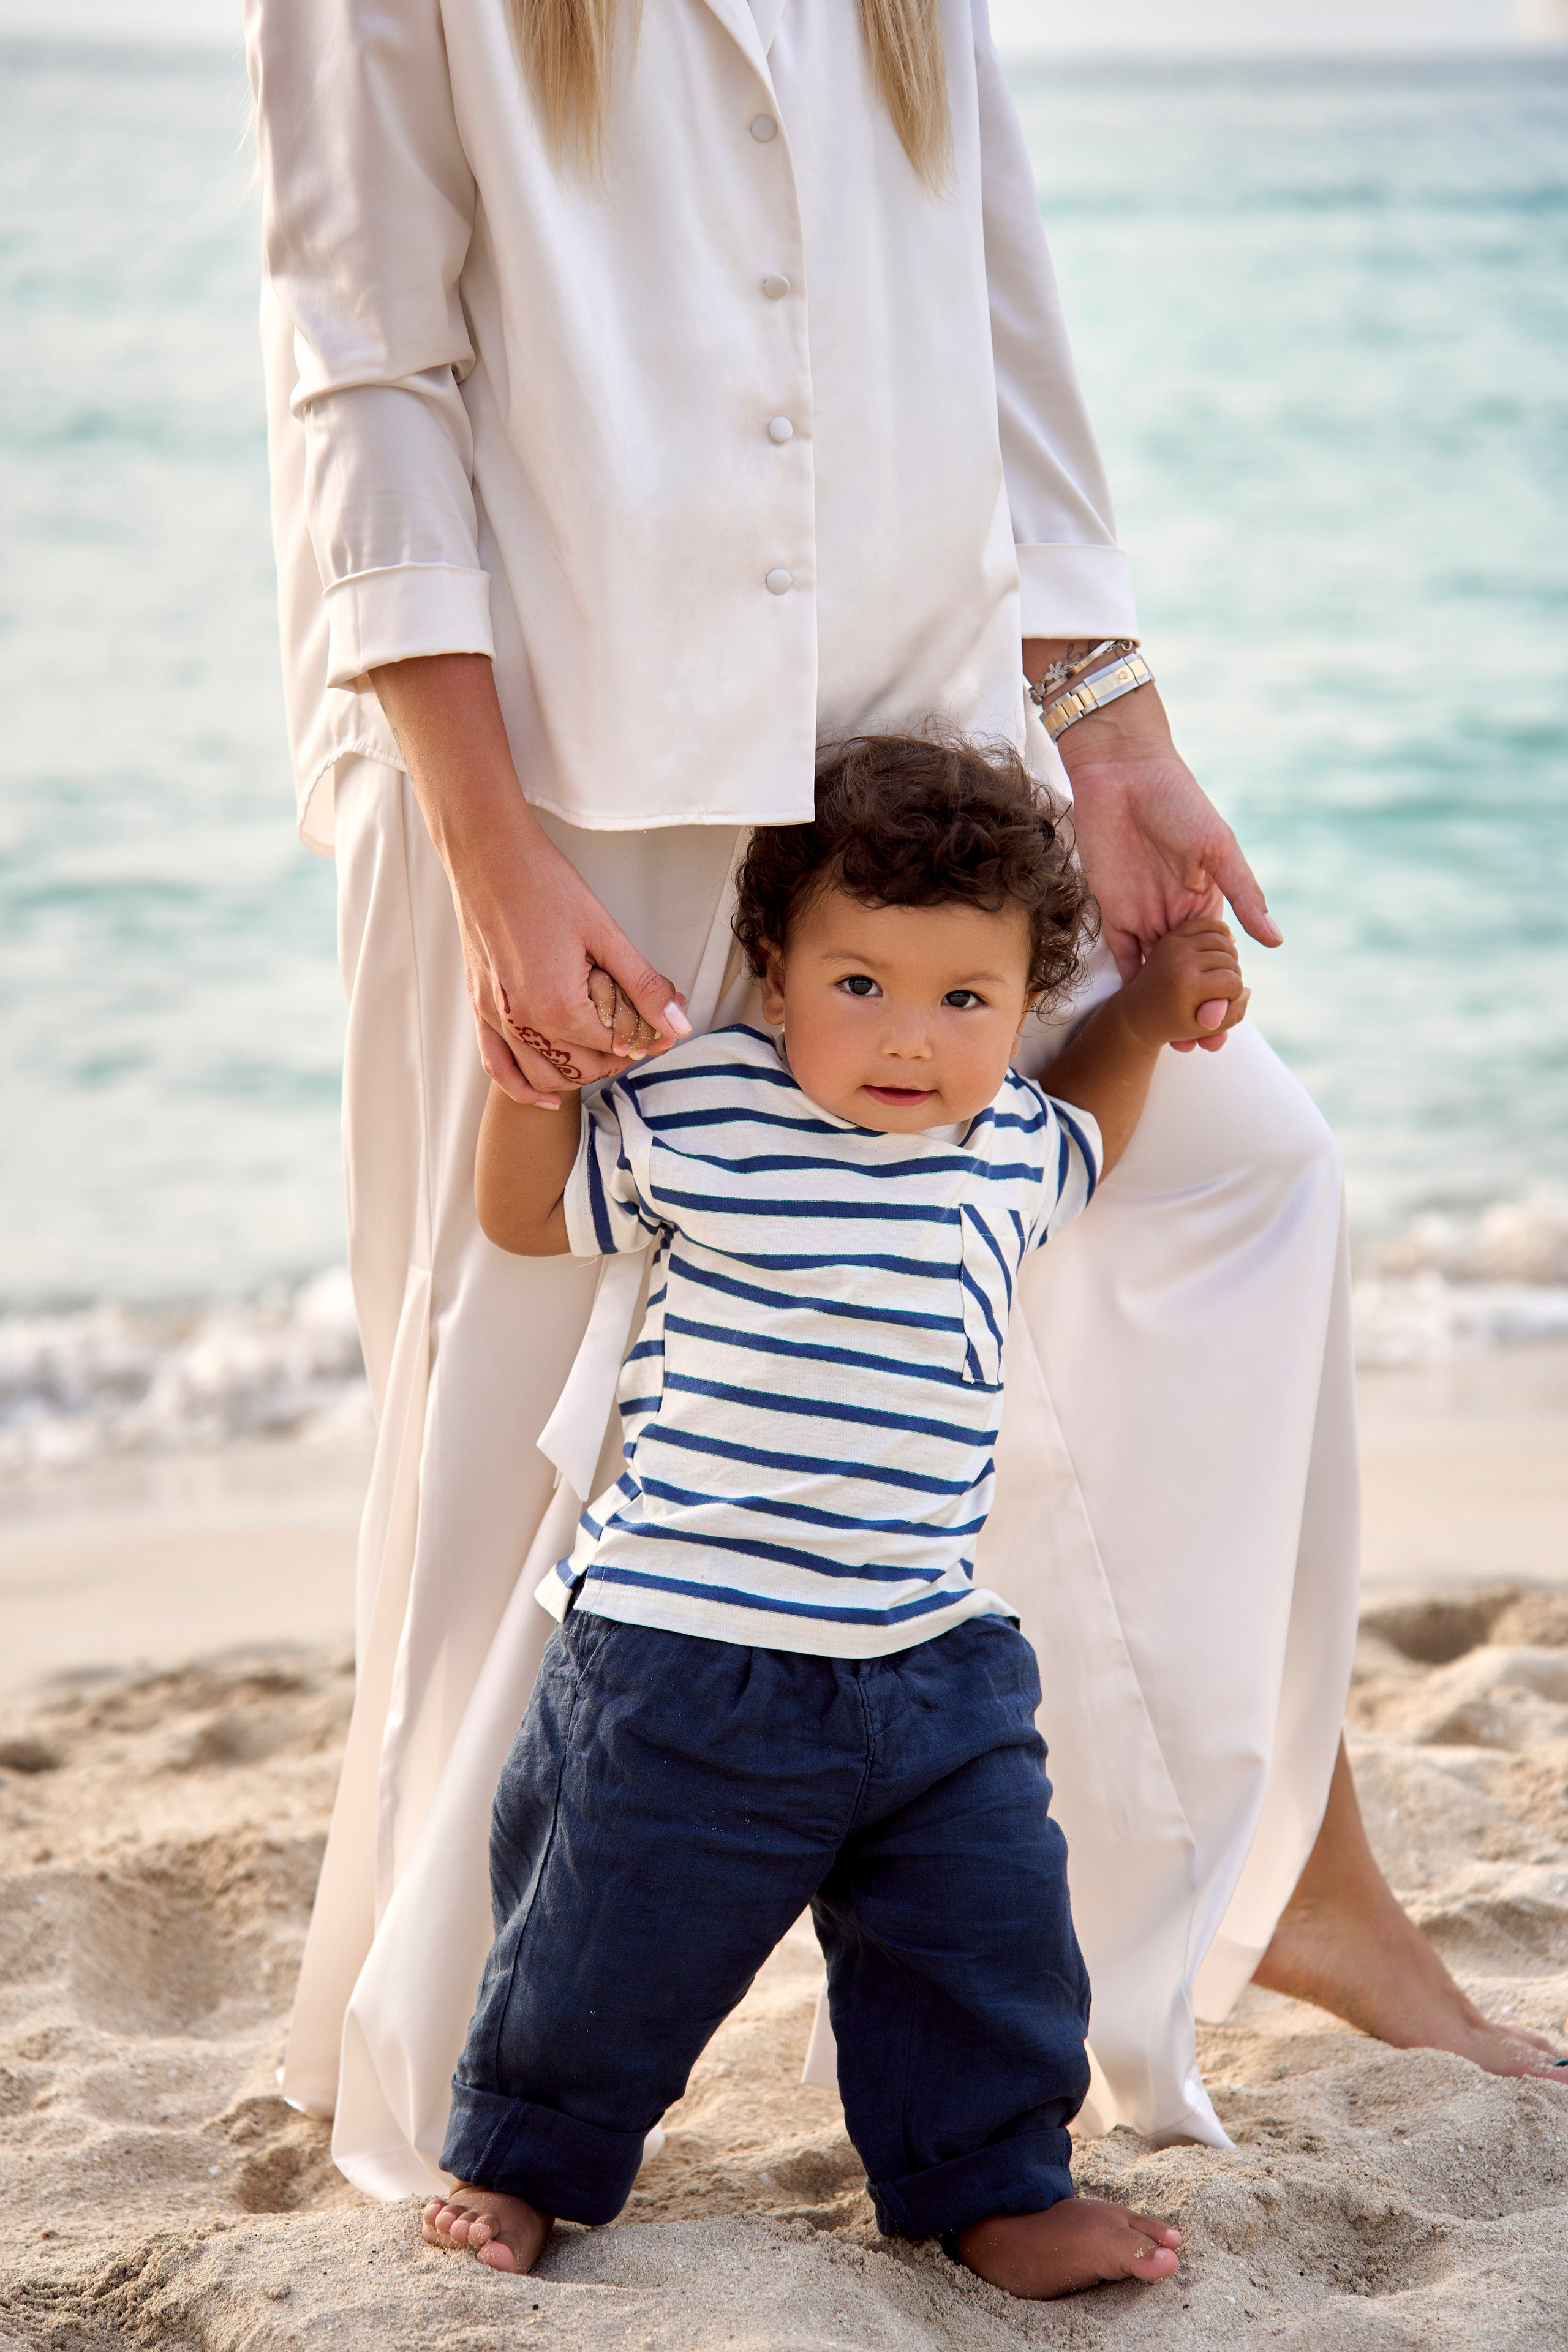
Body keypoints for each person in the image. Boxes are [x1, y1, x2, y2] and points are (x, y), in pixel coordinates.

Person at [246, 0, 1563, 2209]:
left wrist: (1113, 726)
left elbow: (993, 298)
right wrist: (486, 845)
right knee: (517, 1400)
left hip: (899, 747)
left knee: (1245, 1182)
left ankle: (1305, 1875)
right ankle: (448, 2057)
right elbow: (361, 371)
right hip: (564, 774)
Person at [423, 734, 1246, 2294]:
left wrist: (1140, 1016)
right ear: (774, 967)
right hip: (686, 1653)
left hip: (931, 1658)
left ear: (1017, 1007)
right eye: (857, 984)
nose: (908, 1039)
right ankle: (521, 2163)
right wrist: (536, 1081)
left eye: (963, 1001)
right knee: (601, 1944)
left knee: (989, 1939)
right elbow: (526, 1218)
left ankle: (993, 2185)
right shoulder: (708, 1108)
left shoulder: (1011, 1140)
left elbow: (1092, 1122)